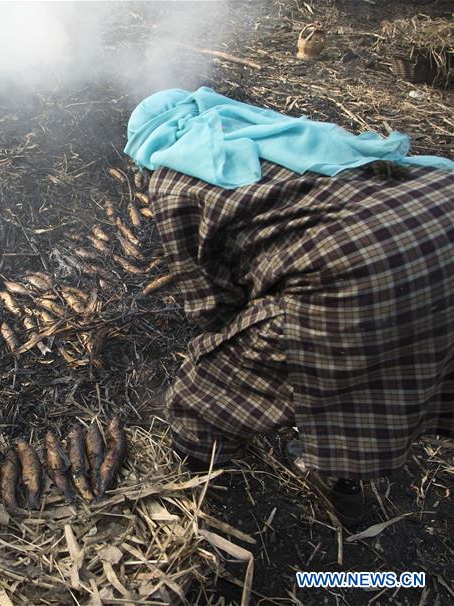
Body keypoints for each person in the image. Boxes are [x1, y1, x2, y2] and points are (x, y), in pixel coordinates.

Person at [125, 88, 454, 525]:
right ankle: (340, 470)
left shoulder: (170, 179)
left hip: (359, 267)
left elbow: (207, 294)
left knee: (209, 388)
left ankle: (185, 491)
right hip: (440, 213)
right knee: (397, 359)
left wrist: (230, 342)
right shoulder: (281, 134)